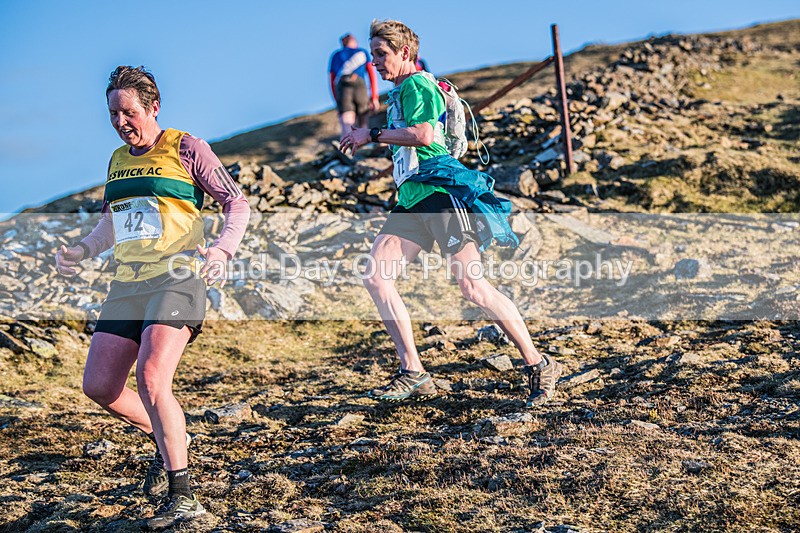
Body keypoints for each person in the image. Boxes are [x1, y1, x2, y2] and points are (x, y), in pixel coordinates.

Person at [55, 66, 249, 529]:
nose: (121, 121)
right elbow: (111, 223)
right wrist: (83, 250)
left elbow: (235, 201)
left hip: (178, 275)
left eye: (129, 111)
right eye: (113, 113)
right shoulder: (117, 160)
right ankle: (166, 434)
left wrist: (221, 250)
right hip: (127, 282)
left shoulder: (186, 148)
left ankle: (183, 495)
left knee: (152, 375)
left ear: (153, 107)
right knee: (99, 386)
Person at [339, 20, 562, 407]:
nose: (373, 62)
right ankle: (414, 372)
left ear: (404, 53)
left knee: (472, 287)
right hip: (411, 199)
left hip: (441, 194)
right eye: (373, 53)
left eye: (381, 54)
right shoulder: (398, 95)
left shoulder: (417, 84)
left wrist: (369, 134)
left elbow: (424, 134)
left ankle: (539, 363)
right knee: (376, 277)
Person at [328, 32, 380, 140]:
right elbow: (371, 75)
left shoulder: (335, 55)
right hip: (359, 84)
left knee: (347, 119)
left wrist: (337, 101)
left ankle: (347, 145)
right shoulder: (362, 52)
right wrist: (374, 97)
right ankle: (364, 143)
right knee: (363, 117)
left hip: (342, 86)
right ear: (353, 41)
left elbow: (332, 80)